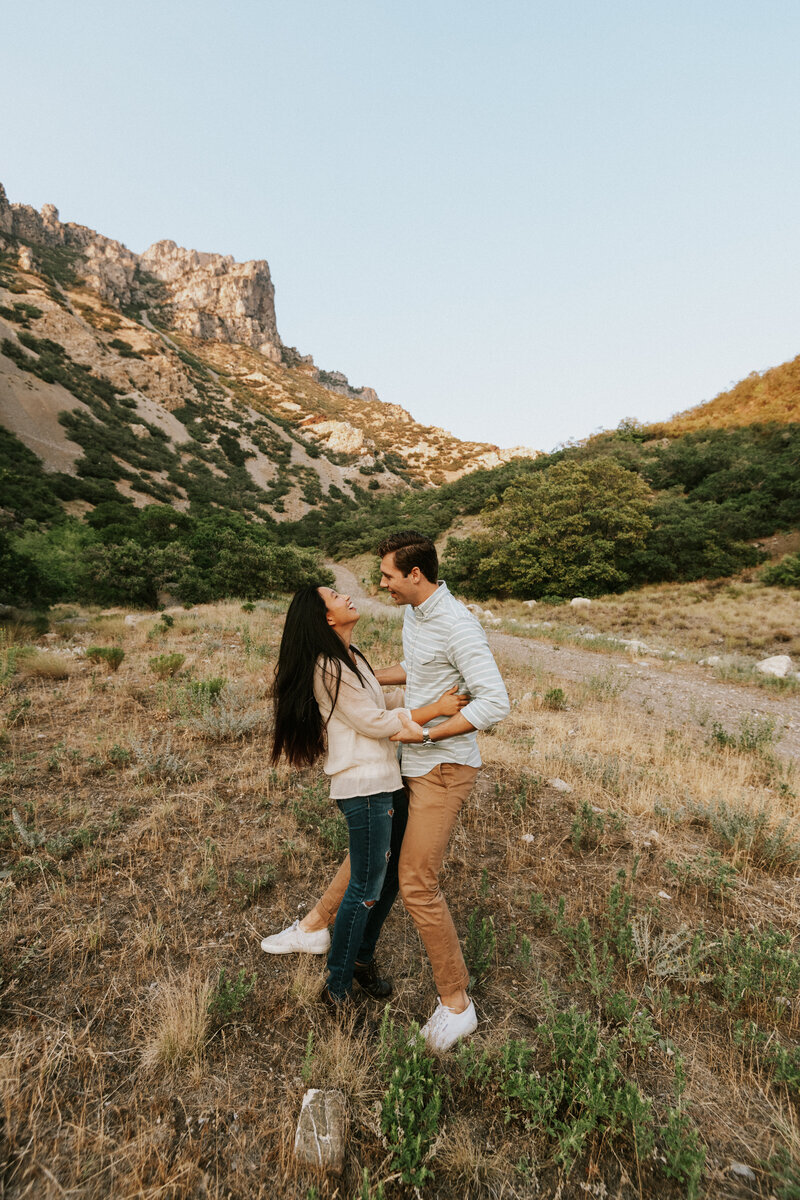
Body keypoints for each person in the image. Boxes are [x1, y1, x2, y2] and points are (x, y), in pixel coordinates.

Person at [267, 535, 510, 1050]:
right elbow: (416, 673)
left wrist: (424, 731)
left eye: (387, 577)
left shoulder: (457, 624)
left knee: (416, 881)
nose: (379, 585)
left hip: (441, 766)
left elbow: (494, 703)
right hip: (406, 762)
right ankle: (314, 928)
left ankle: (456, 1005)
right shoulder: (415, 616)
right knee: (371, 855)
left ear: (415, 575)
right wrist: (351, 678)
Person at [265, 583, 468, 1007]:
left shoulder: (351, 658)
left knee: (389, 879)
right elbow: (375, 721)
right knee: (365, 888)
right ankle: (336, 987)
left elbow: (385, 698)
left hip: (385, 781)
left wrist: (434, 694)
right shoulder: (327, 666)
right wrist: (436, 712)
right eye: (336, 596)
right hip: (364, 786)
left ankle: (359, 960)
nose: (347, 596)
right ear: (327, 617)